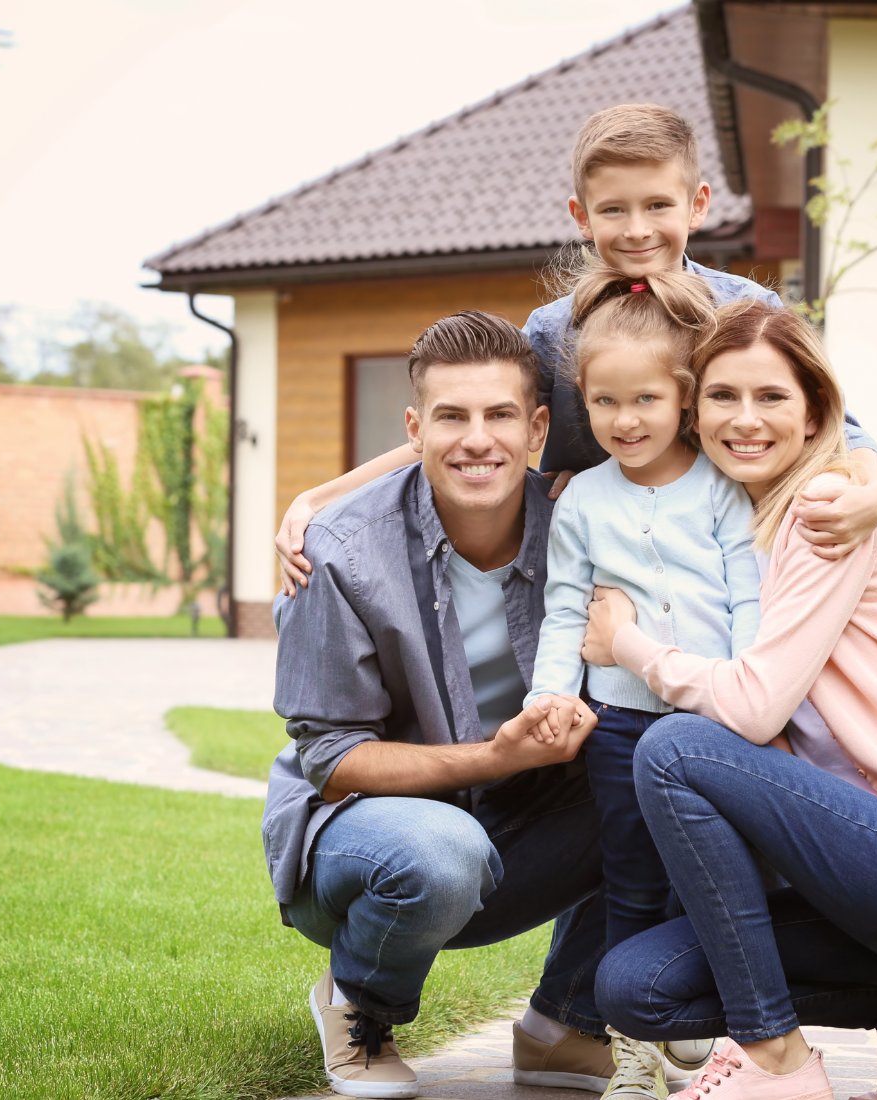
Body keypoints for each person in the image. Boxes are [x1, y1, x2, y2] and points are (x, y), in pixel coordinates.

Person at [580, 300, 877, 1100]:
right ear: (693, 411)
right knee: (633, 988)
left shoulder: (824, 510)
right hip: (870, 884)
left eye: (771, 397)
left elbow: (752, 711)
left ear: (817, 409)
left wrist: (629, 645)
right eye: (722, 397)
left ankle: (774, 1061)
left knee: (675, 748)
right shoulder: (740, 529)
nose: (744, 419)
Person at [270, 103, 877, 598]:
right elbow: (468, 422)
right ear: (581, 216)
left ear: (697, 204)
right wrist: (319, 498)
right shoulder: (553, 330)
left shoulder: (746, 311)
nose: (638, 228)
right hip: (601, 564)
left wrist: (875, 493)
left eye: (658, 205)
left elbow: (838, 427)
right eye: (613, 210)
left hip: (733, 555)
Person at [268, 310, 621, 1099]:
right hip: (366, 847)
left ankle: (567, 1022)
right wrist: (497, 757)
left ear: (536, 429)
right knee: (443, 850)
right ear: (414, 427)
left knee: (673, 771)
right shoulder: (341, 552)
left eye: (499, 415)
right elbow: (329, 762)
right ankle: (359, 1002)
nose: (476, 439)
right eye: (452, 416)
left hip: (519, 828)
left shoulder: (580, 527)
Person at [526, 257, 763, 1100]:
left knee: (711, 881)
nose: (626, 420)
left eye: (646, 401)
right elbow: (564, 611)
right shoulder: (582, 499)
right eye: (605, 403)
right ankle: (632, 1053)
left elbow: (749, 603)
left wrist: (748, 697)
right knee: (629, 883)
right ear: (583, 407)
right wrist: (551, 693)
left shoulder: (724, 490)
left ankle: (710, 1039)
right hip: (621, 726)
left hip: (712, 727)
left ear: (685, 400)